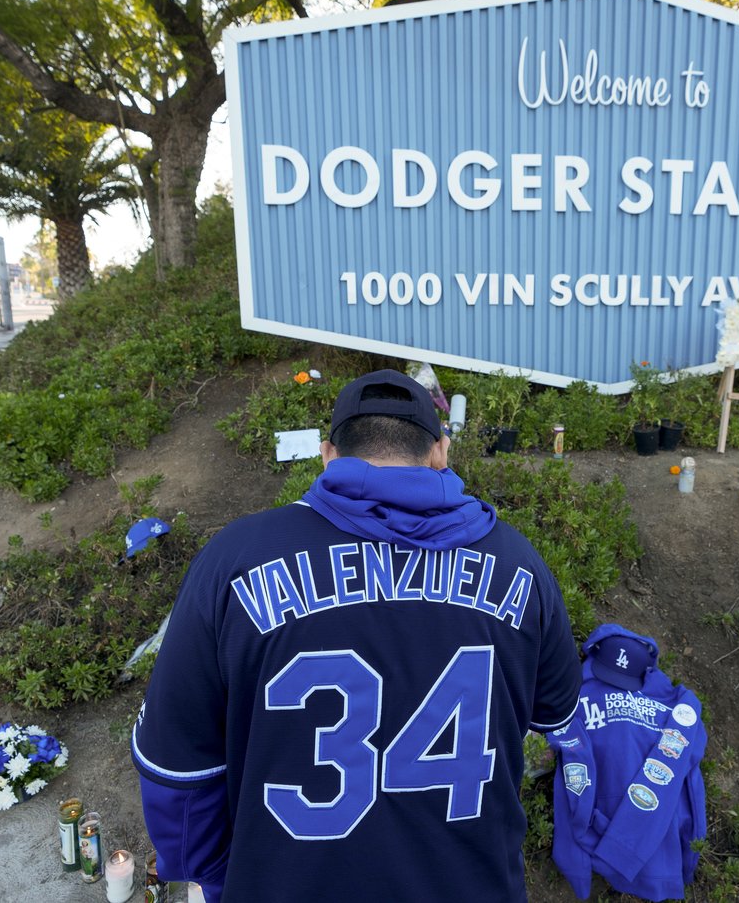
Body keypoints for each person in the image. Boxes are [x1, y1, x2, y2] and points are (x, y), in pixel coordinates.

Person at [131, 369, 581, 901]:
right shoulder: (519, 564)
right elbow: (552, 713)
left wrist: (217, 874)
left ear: (328, 454)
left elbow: (177, 770)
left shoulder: (234, 558)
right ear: (441, 451)